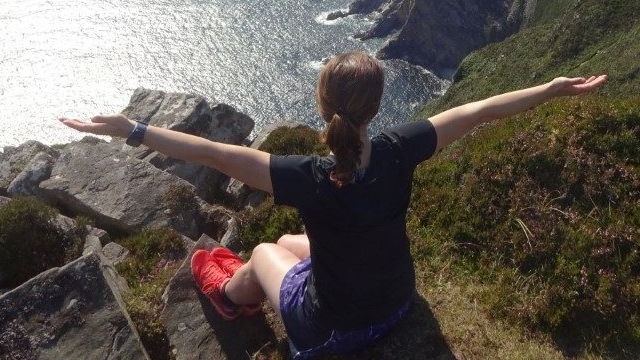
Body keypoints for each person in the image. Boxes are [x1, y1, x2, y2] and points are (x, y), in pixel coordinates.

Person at [59, 51, 606, 358]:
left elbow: (216, 154)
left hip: (335, 329)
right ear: (377, 106)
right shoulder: (399, 150)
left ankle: (228, 296)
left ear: (324, 105)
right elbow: (477, 110)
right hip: (396, 302)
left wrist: (134, 129)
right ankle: (247, 287)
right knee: (303, 247)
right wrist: (551, 87)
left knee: (269, 249)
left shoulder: (308, 176)